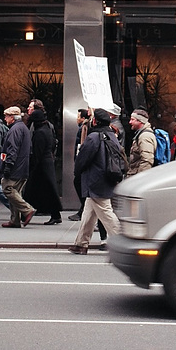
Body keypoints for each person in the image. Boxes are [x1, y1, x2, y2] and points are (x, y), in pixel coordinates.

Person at [68, 108, 121, 255]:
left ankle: (122, 242)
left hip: (95, 180)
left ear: (95, 121)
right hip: (107, 178)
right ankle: (81, 244)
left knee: (106, 212)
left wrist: (77, 171)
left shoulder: (94, 137)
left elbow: (83, 159)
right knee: (88, 213)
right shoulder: (112, 135)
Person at [24, 109, 63, 225]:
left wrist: (32, 165)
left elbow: (37, 152)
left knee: (38, 190)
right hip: (46, 163)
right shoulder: (47, 130)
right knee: (48, 190)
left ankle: (25, 212)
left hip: (41, 166)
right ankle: (54, 214)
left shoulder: (40, 132)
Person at [0, 105, 35, 228]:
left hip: (16, 166)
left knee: (7, 189)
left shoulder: (15, 130)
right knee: (16, 193)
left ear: (12, 117)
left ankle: (27, 210)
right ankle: (15, 220)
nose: (5, 118)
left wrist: (8, 166)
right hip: (22, 166)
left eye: (7, 116)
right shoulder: (23, 128)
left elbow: (12, 150)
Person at [68, 108, 89, 222]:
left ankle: (83, 209)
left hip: (81, 161)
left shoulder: (83, 129)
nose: (76, 119)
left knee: (79, 183)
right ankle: (83, 209)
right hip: (79, 160)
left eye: (78, 116)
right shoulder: (81, 129)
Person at [126, 108, 157, 176]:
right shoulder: (140, 135)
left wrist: (140, 179)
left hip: (136, 178)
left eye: (132, 119)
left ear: (140, 121)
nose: (130, 122)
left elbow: (147, 160)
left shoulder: (145, 136)